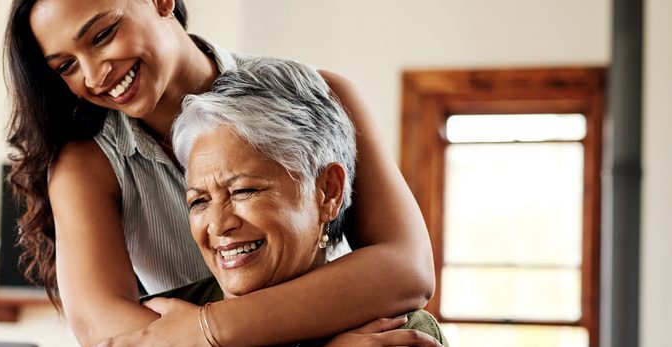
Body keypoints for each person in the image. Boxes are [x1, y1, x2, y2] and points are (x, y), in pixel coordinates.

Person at [4, 0, 436, 345]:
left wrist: (208, 330)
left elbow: (407, 270)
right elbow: (112, 336)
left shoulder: (320, 95)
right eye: (66, 66)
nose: (95, 76)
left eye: (103, 34)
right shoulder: (87, 162)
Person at [133, 58, 446, 347]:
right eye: (199, 200)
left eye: (243, 191)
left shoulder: (395, 331)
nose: (218, 224)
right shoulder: (157, 325)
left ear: (328, 192)